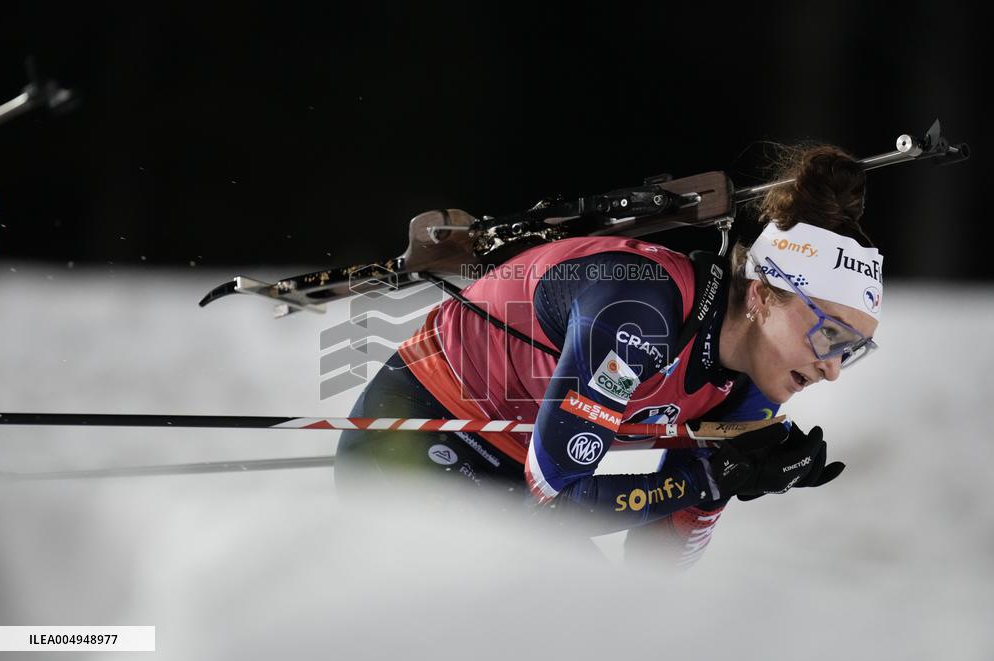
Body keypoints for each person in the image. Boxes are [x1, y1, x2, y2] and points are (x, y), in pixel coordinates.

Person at [334, 144, 882, 567]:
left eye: (850, 350)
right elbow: (558, 495)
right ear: (762, 296)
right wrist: (706, 479)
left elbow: (651, 571)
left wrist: (724, 481)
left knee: (596, 625)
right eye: (828, 334)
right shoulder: (640, 316)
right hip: (420, 433)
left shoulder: (755, 387)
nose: (831, 369)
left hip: (514, 468)